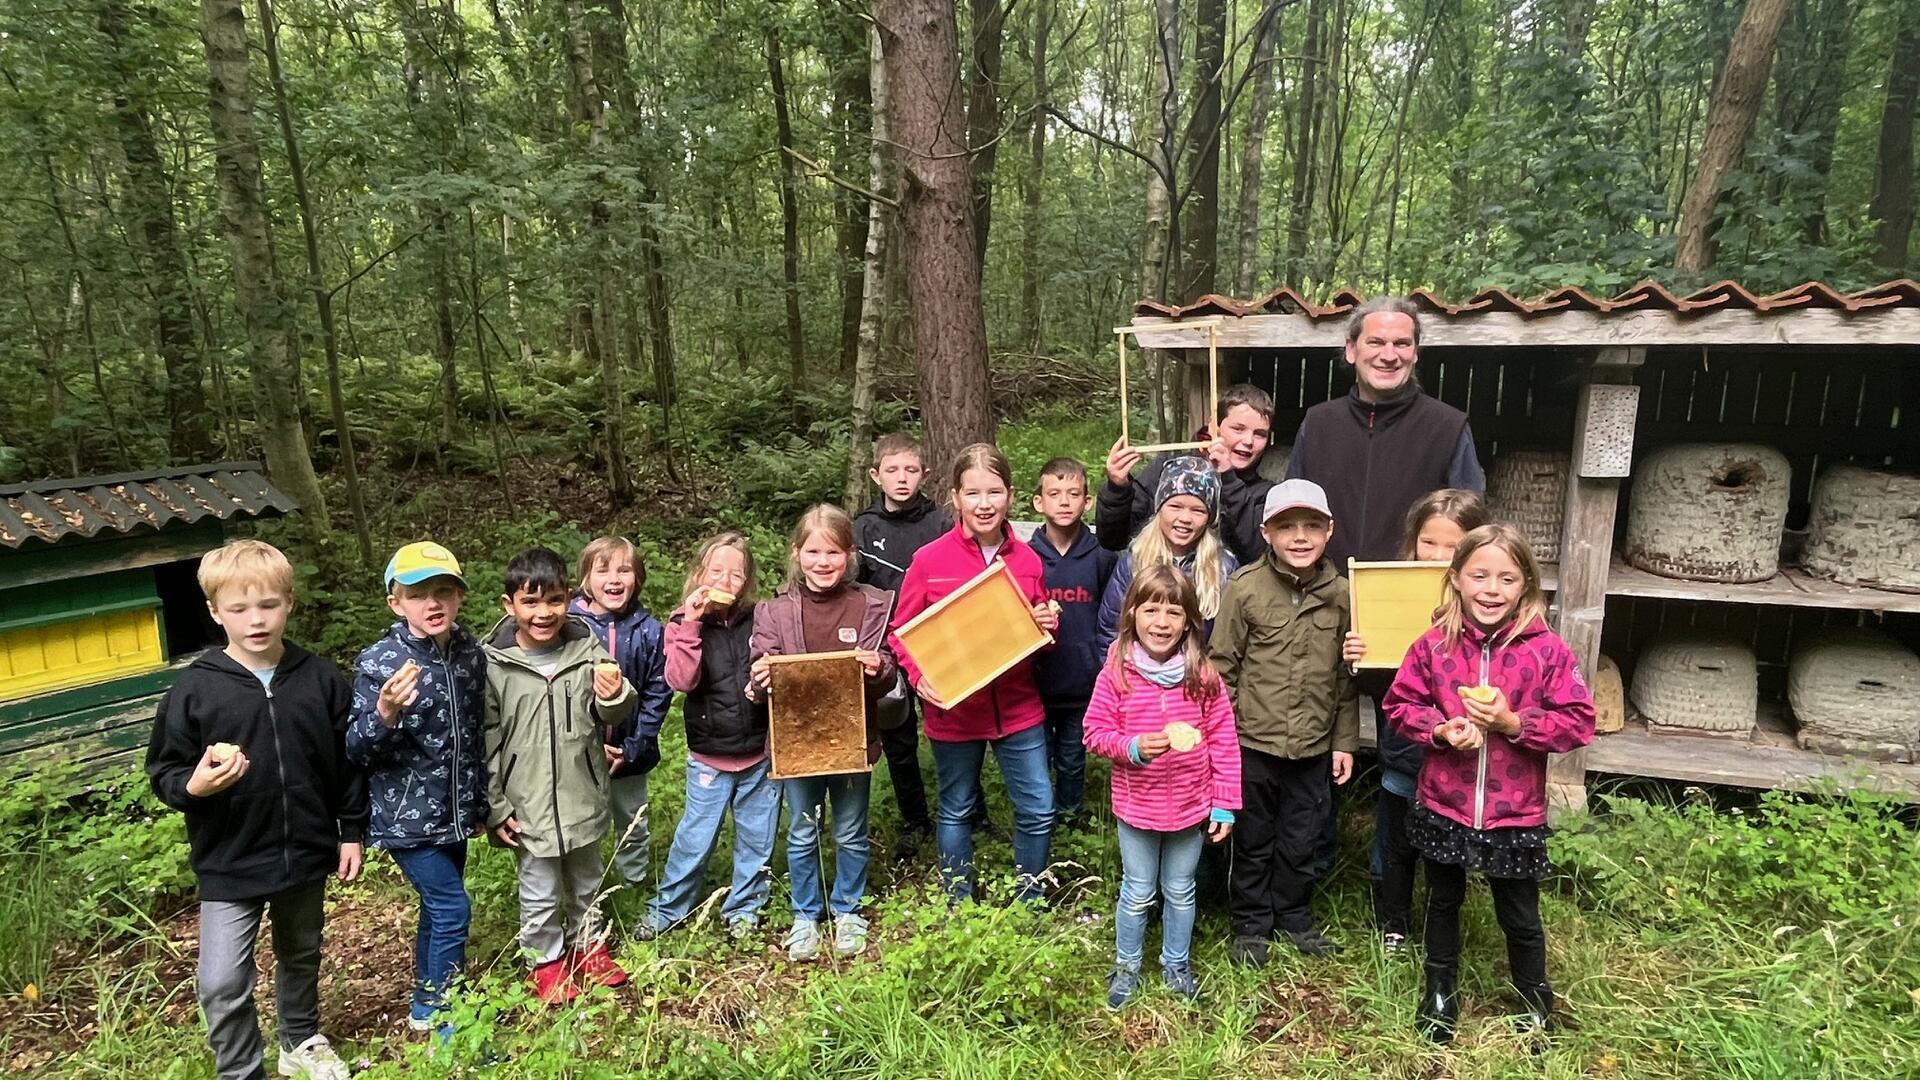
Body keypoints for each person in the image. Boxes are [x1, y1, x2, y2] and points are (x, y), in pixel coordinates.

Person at [145, 539, 366, 1080]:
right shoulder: (195, 691)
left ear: (289, 602)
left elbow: (347, 761)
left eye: (267, 605)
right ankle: (241, 1070)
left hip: (306, 852)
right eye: (239, 609)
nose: (256, 620)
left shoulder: (318, 679)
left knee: (300, 952)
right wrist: (194, 785)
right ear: (215, 612)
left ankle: (299, 1039)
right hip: (231, 857)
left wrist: (351, 830)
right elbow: (165, 772)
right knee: (221, 981)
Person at [1383, 523, 1595, 1043]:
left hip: (1514, 810)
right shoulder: (1434, 645)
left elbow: (1579, 720)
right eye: (1479, 575)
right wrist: (1440, 728)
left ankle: (1533, 995)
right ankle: (1439, 990)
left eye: (1506, 578)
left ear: (1526, 583)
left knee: (1519, 912)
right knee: (1443, 900)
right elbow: (1399, 705)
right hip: (1445, 802)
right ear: (1456, 579)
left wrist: (1513, 724)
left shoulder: (1547, 651)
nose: (1492, 589)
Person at [890, 443, 1061, 904]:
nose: (984, 504)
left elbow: (1037, 630)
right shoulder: (929, 559)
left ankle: (1029, 900)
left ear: (1010, 496)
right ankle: (958, 901)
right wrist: (917, 674)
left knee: (1038, 809)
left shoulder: (1027, 560)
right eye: (973, 494)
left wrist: (1048, 624)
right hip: (954, 707)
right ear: (955, 497)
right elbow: (901, 633)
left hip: (1018, 706)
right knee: (956, 808)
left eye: (994, 492)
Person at [1209, 480, 1357, 966]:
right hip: (1253, 744)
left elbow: (1345, 677)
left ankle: (1293, 916)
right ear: (1266, 532)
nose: (1299, 536)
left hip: (1313, 748)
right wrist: (1225, 741)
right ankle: (1251, 924)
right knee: (1253, 840)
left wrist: (1344, 743)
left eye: (1311, 526)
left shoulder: (1343, 595)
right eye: (1286, 526)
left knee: (1301, 840)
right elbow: (1222, 666)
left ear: (1329, 531)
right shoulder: (1245, 588)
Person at [346, 541, 489, 1035]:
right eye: (419, 593)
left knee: (437, 907)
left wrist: (482, 803)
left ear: (459, 598)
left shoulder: (471, 654)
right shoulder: (379, 663)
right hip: (404, 817)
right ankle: (454, 1021)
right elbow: (356, 749)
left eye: (444, 591)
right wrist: (385, 713)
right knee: (453, 908)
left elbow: (478, 734)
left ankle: (426, 1008)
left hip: (456, 811)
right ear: (396, 602)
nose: (434, 603)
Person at [483, 547, 636, 1004]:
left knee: (588, 880)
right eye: (530, 603)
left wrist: (613, 695)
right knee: (540, 889)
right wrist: (495, 806)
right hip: (525, 802)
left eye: (553, 600)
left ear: (569, 598)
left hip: (582, 792)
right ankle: (546, 961)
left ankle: (589, 946)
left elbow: (614, 707)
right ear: (509, 606)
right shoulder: (494, 664)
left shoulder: (587, 649)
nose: (543, 613)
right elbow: (486, 739)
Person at [1082, 566, 1240, 1009]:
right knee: (1137, 890)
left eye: (1173, 612)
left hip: (1191, 808)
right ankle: (1127, 966)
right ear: (1132, 614)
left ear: (1188, 621)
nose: (1161, 622)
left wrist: (1224, 805)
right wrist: (1131, 746)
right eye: (1151, 610)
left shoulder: (1203, 676)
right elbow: (1093, 732)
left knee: (1180, 889)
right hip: (1137, 808)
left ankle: (1176, 965)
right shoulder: (1117, 672)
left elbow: (1224, 741)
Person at [748, 505, 898, 961]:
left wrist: (879, 668)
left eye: (833, 552)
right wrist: (761, 678)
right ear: (797, 554)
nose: (823, 562)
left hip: (853, 741)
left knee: (851, 831)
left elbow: (888, 671)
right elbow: (757, 676)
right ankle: (805, 915)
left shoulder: (871, 604)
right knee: (802, 831)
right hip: (798, 744)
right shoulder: (773, 612)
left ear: (849, 554)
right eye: (813, 552)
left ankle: (849, 911)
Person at [1340, 490, 1487, 950]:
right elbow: (1381, 691)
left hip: (1460, 754)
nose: (1440, 556)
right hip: (1405, 747)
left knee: (1448, 842)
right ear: (1413, 542)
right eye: (1430, 543)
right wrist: (1358, 659)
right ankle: (1392, 919)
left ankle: (1443, 920)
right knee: (1395, 835)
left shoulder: (1487, 605)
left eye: (1453, 546)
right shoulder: (1389, 595)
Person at [641, 532, 782, 942]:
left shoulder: (761, 619)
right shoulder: (681, 623)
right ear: (699, 574)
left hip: (759, 751)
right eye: (716, 571)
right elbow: (681, 680)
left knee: (757, 838)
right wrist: (691, 623)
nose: (725, 581)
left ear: (747, 581)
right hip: (709, 756)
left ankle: (744, 908)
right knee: (695, 839)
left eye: (736, 574)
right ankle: (669, 907)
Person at [1285, 296, 1486, 573]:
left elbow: (1472, 531)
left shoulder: (1447, 427)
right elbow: (1289, 513)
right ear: (1351, 350)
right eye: (1376, 342)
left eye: (1402, 344)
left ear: (1415, 353)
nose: (1389, 355)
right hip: (1321, 598)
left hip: (1411, 598)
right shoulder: (1318, 423)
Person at [853, 432, 950, 856]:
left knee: (951, 730)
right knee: (898, 737)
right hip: (886, 649)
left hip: (937, 643)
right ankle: (915, 819)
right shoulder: (862, 527)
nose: (902, 478)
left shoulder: (942, 523)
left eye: (911, 470)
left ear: (925, 474)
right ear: (877, 475)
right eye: (892, 470)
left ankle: (967, 811)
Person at [569, 536, 673, 892]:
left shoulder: (649, 630)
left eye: (624, 570)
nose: (614, 579)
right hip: (579, 753)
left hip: (630, 753)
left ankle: (632, 883)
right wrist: (590, 744)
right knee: (583, 821)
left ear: (637, 578)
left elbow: (658, 691)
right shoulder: (570, 628)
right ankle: (588, 889)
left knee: (632, 818)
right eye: (603, 570)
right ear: (585, 579)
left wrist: (635, 746)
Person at [1026, 457, 1118, 823]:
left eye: (1073, 494)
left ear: (1088, 501)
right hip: (1034, 679)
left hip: (1083, 680)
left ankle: (1069, 817)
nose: (1064, 502)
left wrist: (1101, 665)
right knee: (1037, 754)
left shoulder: (1103, 555)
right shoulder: (1024, 556)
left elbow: (1112, 616)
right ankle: (1038, 815)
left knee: (1071, 755)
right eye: (1054, 494)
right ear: (1038, 502)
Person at [1099, 383, 1278, 567]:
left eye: (1260, 434)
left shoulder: (1265, 494)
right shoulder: (1167, 470)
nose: (1248, 441)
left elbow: (1258, 556)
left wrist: (1228, 480)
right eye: (1238, 429)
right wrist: (1117, 489)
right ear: (1213, 427)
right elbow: (1112, 540)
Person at [1095, 456, 1238, 656]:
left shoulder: (1224, 567)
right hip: (1137, 678)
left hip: (1199, 678)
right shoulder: (1134, 561)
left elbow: (1230, 640)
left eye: (1198, 510)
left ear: (1210, 518)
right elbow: (1110, 631)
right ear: (1159, 508)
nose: (1185, 518)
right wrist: (1122, 679)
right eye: (1175, 506)